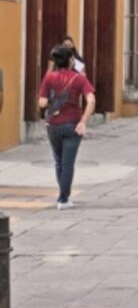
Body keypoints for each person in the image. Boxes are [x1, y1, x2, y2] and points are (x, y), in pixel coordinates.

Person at [39, 46, 96, 210]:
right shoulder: (79, 79)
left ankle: (63, 196)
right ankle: (63, 199)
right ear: (70, 61)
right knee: (68, 163)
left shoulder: (49, 78)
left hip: (53, 125)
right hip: (73, 124)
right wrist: (83, 121)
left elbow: (41, 103)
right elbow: (91, 101)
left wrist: (53, 103)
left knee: (58, 162)